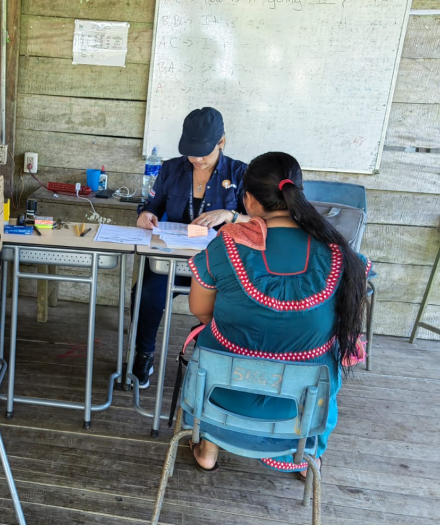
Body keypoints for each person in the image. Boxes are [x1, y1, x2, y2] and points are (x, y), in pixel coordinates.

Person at [186, 151, 371, 476]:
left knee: (212, 340)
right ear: (297, 194)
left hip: (224, 400)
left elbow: (200, 310)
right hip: (299, 409)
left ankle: (208, 448)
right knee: (329, 353)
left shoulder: (227, 245)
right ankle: (303, 457)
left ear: (249, 200)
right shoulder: (340, 254)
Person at [132, 107, 248, 387]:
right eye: (191, 152)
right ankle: (143, 354)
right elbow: (151, 207)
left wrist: (230, 215)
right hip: (172, 260)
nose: (196, 159)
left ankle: (215, 360)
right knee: (145, 295)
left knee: (231, 305)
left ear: (221, 142)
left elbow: (260, 222)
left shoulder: (240, 173)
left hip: (219, 266)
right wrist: (144, 215)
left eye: (203, 152)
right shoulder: (172, 168)